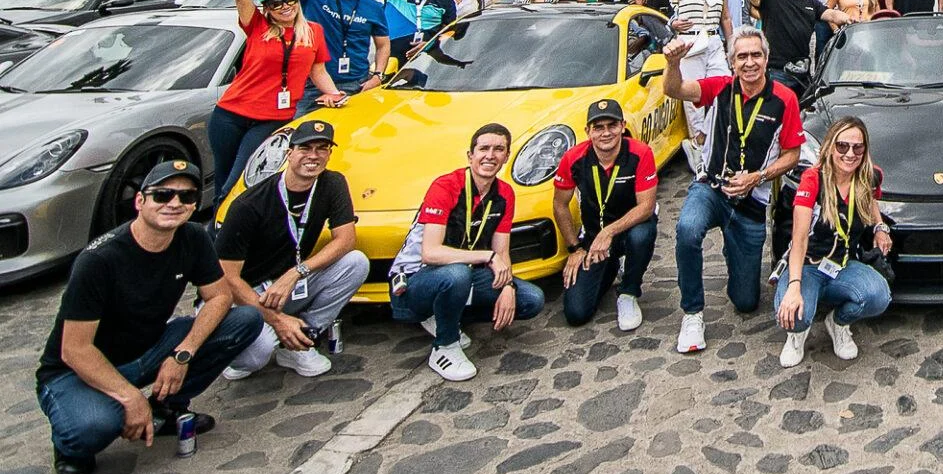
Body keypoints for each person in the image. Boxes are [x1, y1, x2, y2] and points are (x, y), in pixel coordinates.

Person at [35, 161, 261, 474]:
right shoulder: (98, 261)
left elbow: (220, 297)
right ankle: (70, 445)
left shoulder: (193, 237)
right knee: (94, 427)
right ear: (140, 201)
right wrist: (130, 398)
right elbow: (75, 350)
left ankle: (166, 408)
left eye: (186, 196)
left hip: (148, 348)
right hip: (77, 370)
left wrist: (183, 354)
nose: (174, 203)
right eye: (163, 195)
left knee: (245, 320)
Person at [662, 30, 805, 353]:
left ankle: (735, 249)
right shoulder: (718, 89)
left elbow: (793, 154)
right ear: (731, 62)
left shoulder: (785, 99)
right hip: (712, 186)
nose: (750, 62)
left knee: (745, 302)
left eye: (756, 55)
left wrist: (758, 177)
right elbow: (675, 89)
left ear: (767, 60)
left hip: (751, 202)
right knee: (687, 228)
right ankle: (693, 313)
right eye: (742, 56)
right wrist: (672, 64)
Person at [388, 124, 545, 381]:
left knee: (530, 300)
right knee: (457, 274)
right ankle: (444, 346)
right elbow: (431, 253)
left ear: (506, 156)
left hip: (465, 273)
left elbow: (501, 251)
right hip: (415, 281)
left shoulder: (504, 193)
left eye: (498, 149)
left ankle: (444, 315)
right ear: (470, 155)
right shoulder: (446, 186)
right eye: (483, 149)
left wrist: (508, 287)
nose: (490, 156)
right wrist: (487, 257)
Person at [215, 119, 370, 381]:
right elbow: (227, 278)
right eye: (305, 148)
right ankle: (243, 341)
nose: (313, 156)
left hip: (287, 281)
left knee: (356, 263)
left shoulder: (332, 183)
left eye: (322, 148)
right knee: (255, 357)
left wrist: (296, 273)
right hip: (245, 291)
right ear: (289, 153)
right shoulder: (249, 205)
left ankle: (299, 340)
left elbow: (345, 240)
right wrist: (277, 321)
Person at [205, 0, 346, 198]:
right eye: (276, 3)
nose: (285, 7)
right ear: (267, 9)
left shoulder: (313, 31)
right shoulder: (258, 26)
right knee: (223, 181)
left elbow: (318, 70)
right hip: (230, 114)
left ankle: (232, 229)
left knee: (240, 183)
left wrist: (334, 94)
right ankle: (218, 233)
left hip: (273, 117)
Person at [776, 117, 894, 366]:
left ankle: (838, 323)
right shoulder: (813, 179)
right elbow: (798, 241)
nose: (850, 154)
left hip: (842, 264)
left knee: (879, 296)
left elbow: (871, 197)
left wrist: (880, 227)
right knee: (794, 316)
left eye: (857, 147)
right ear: (830, 146)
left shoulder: (869, 176)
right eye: (842, 146)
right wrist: (794, 287)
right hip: (808, 265)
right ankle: (797, 334)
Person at [553, 99, 660, 331]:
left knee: (643, 233)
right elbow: (560, 205)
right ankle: (609, 267)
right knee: (576, 312)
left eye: (612, 125)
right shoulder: (573, 158)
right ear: (588, 131)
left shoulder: (640, 153)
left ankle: (629, 292)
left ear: (622, 126)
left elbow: (647, 206)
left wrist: (609, 232)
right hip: (593, 239)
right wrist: (574, 248)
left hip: (629, 229)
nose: (606, 133)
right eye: (598, 127)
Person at [272, 0, 391, 111]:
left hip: (356, 83)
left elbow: (383, 45)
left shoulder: (374, 8)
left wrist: (378, 76)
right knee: (300, 133)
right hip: (311, 84)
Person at [636, 0, 727, 156]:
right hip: (690, 43)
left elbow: (726, 18)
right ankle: (698, 141)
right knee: (692, 94)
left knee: (725, 88)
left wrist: (731, 45)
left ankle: (713, 134)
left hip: (714, 40)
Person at [741, 0, 842, 89]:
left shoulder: (810, 2)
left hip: (803, 73)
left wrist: (850, 19)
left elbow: (831, 14)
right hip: (778, 72)